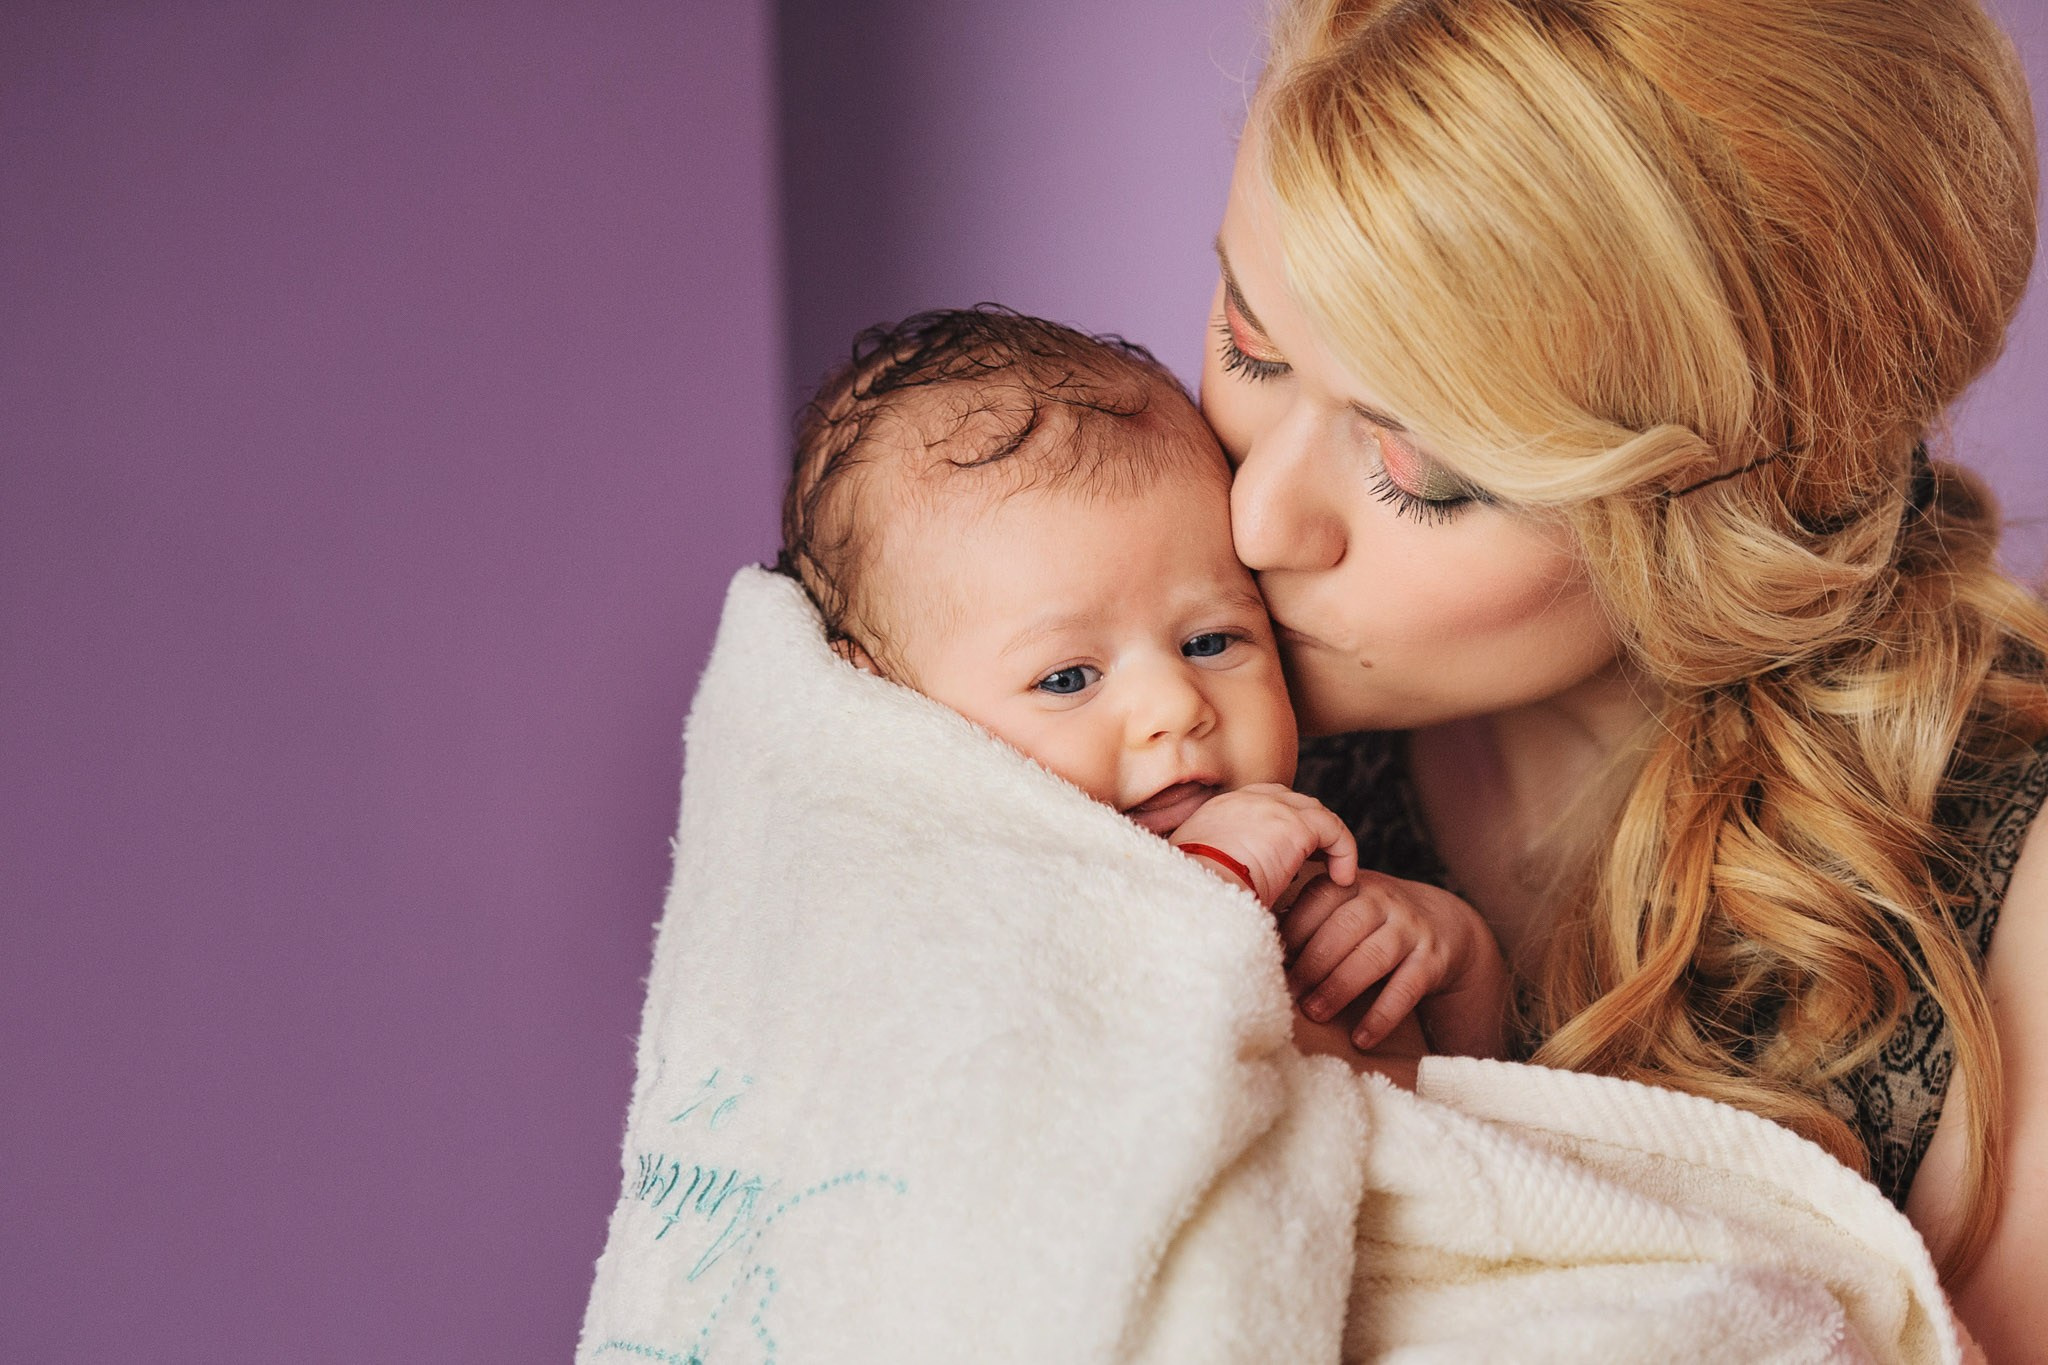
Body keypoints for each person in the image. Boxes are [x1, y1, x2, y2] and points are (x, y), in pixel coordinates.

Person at [1201, 0, 2048, 1352]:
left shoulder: (2013, 902)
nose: (1254, 521)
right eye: (1251, 343)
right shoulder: (1120, 668)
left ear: (1736, 505)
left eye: (1420, 471)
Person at [775, 306, 1501, 1059]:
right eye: (1066, 678)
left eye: (1211, 640)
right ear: (893, 711)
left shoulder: (1329, 872)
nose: (1175, 707)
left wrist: (1455, 962)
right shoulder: (955, 912)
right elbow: (1086, 1074)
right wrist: (1212, 880)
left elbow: (1483, 1123)